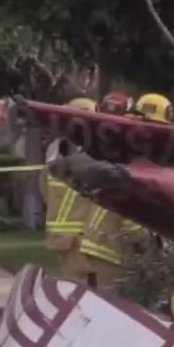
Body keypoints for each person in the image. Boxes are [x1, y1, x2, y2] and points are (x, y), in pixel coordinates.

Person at [43, 100, 100, 282]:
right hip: (82, 237)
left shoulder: (55, 151)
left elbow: (44, 189)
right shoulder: (92, 153)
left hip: (66, 237)